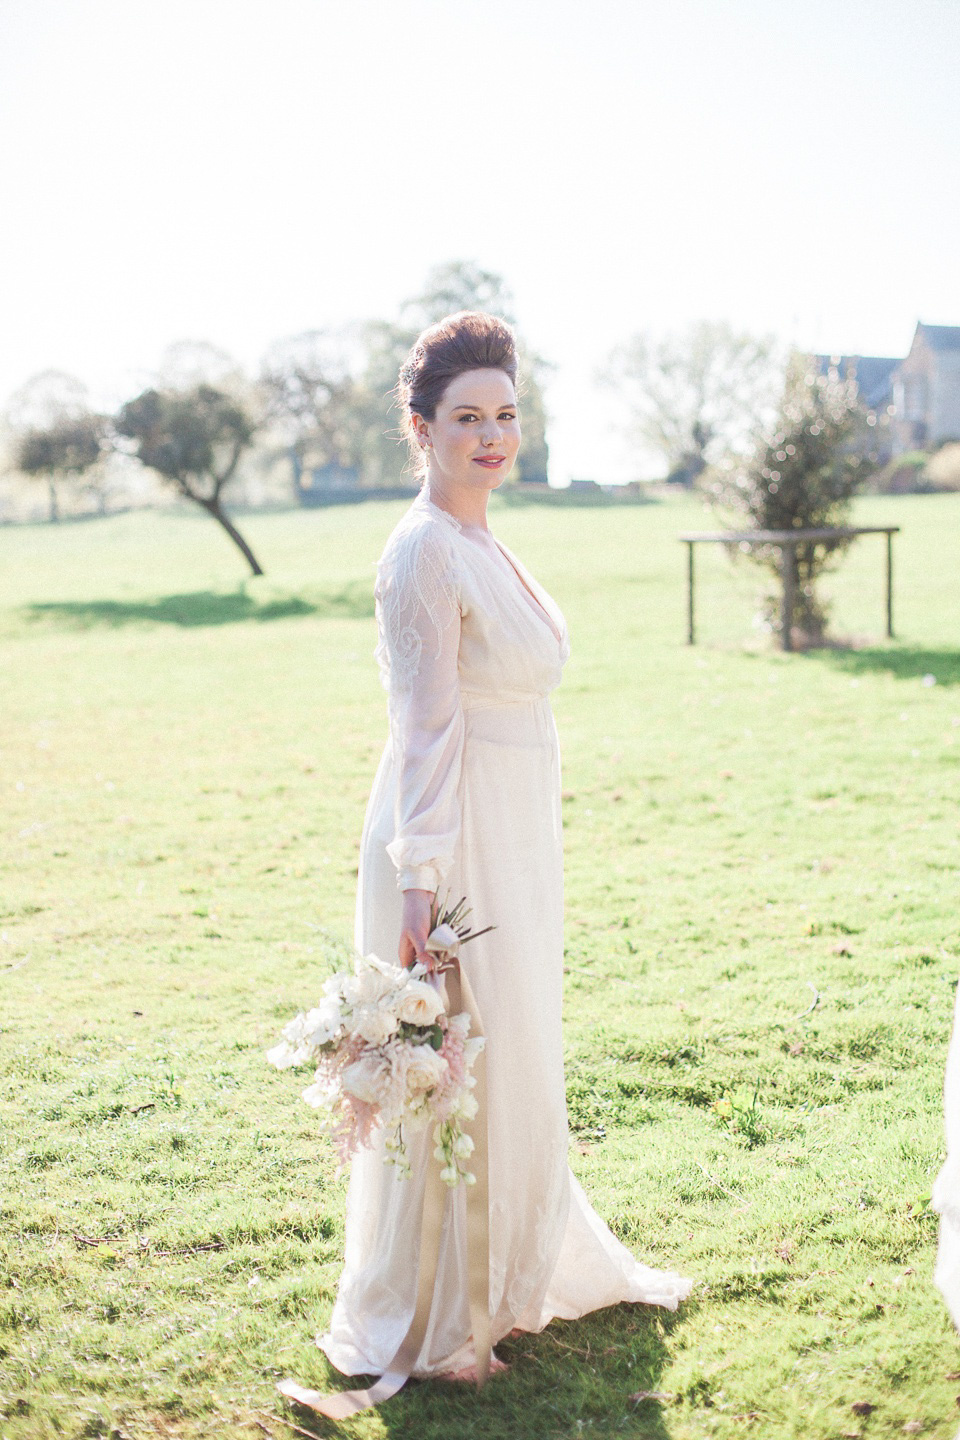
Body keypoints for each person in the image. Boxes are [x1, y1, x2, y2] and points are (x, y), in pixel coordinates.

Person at [317, 310, 692, 1387]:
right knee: (464, 1054)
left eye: (506, 415)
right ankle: (446, 1303)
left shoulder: (481, 536)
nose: (492, 435)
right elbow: (425, 729)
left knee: (517, 1040)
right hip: (457, 834)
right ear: (421, 426)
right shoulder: (424, 549)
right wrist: (421, 893)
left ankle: (518, 1263)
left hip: (517, 826)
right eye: (467, 417)